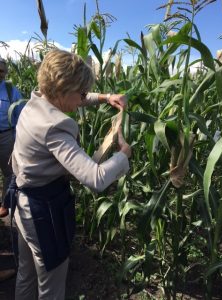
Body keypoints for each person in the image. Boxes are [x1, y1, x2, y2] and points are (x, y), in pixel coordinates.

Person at [9, 49, 131, 300]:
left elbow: (72, 97)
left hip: (21, 201)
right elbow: (95, 179)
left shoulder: (36, 101)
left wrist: (105, 97)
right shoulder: (55, 127)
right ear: (64, 90)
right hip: (42, 211)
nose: (83, 100)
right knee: (51, 285)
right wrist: (123, 156)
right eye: (82, 93)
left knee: (26, 273)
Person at [0, 57, 23, 218]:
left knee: (9, 172)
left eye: (1, 70)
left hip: (6, 135)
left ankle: (4, 204)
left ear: (6, 72)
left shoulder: (11, 90)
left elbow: (20, 114)